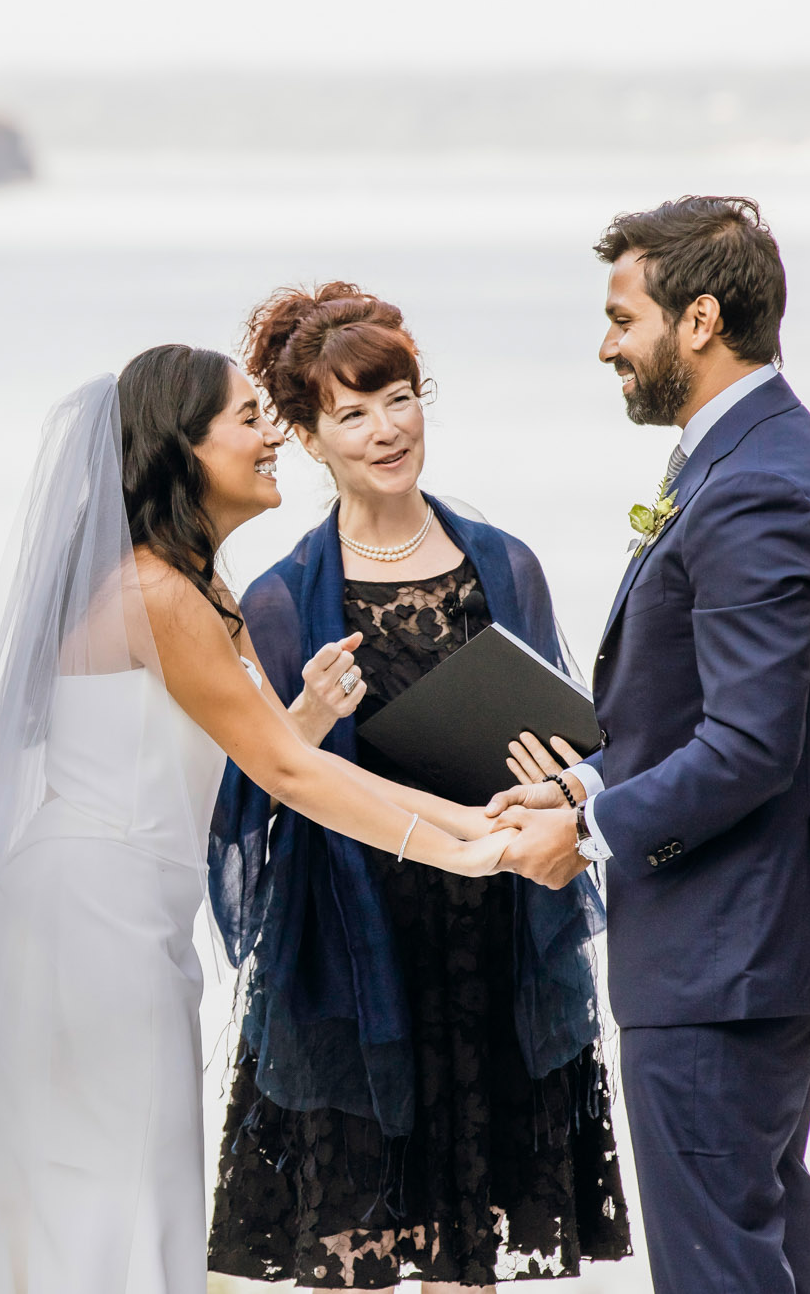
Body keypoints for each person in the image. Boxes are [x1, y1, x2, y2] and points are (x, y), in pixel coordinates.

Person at [0, 345, 546, 1294]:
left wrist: (469, 820)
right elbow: (292, 777)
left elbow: (259, 757)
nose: (271, 439)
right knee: (110, 1184)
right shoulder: (158, 593)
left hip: (131, 912)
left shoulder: (201, 586)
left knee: (130, 1176)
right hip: (88, 921)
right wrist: (462, 852)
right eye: (249, 419)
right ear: (183, 448)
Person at [206, 284, 630, 1293]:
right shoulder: (279, 599)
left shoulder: (501, 566)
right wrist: (305, 717)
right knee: (351, 1257)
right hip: (352, 962)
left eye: (396, 397)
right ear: (309, 439)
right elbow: (244, 808)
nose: (384, 429)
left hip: (486, 943)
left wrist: (563, 779)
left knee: (466, 1258)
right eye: (350, 412)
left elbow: (575, 746)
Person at [489, 197, 810, 1294]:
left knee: (718, 1267)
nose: (605, 343)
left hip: (726, 949)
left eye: (622, 316)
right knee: (754, 1244)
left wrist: (588, 828)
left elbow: (750, 745)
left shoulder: (755, 486)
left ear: (697, 319)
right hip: (741, 945)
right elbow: (699, 711)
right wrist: (586, 776)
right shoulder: (742, 455)